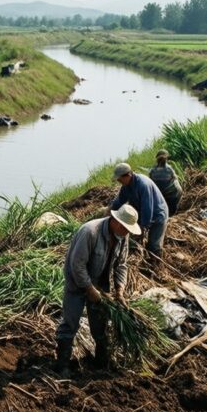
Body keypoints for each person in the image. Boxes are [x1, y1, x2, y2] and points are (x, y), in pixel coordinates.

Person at [55, 204, 141, 377]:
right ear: (116, 221)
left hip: (100, 284)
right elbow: (77, 265)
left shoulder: (122, 236)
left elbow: (121, 265)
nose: (127, 233)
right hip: (77, 284)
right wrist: (89, 289)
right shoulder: (90, 232)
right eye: (125, 228)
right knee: (70, 323)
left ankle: (101, 363)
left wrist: (119, 290)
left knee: (100, 326)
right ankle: (62, 365)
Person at [110, 163, 169, 258]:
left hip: (157, 215)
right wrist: (111, 211)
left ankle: (156, 264)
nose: (119, 181)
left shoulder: (143, 185)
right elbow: (120, 200)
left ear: (128, 175)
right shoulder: (126, 186)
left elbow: (147, 209)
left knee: (153, 246)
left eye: (120, 179)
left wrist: (143, 227)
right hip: (142, 213)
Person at [149, 149, 182, 215]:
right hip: (170, 195)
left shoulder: (153, 170)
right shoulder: (169, 168)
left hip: (157, 195)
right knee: (179, 189)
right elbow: (175, 178)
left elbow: (151, 180)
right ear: (166, 159)